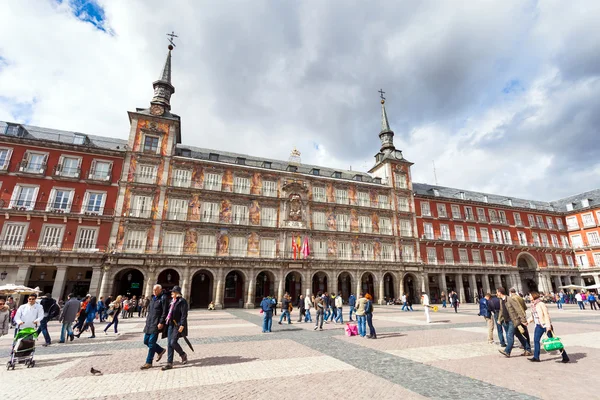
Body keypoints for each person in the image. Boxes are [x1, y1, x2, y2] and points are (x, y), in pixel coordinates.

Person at [527, 291, 569, 363]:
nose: (529, 296)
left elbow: (546, 315)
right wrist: (527, 321)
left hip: (545, 325)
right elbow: (534, 315)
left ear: (534, 296)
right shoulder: (533, 305)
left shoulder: (541, 304)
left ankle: (565, 356)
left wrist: (548, 326)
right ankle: (536, 357)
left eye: (530, 295)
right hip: (538, 325)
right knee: (536, 340)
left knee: (554, 341)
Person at [496, 287, 532, 357]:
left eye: (497, 292)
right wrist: (499, 319)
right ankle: (528, 350)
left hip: (513, 320)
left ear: (500, 293)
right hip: (507, 320)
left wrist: (523, 320)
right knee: (519, 335)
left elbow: (518, 309)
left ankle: (507, 351)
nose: (496, 294)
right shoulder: (501, 300)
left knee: (509, 335)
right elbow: (501, 310)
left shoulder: (510, 299)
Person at [141, 285, 168, 369]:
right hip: (149, 323)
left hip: (156, 323)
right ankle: (160, 350)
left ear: (160, 290)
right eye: (153, 290)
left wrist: (161, 322)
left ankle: (148, 362)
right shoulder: (153, 299)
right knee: (146, 341)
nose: (154, 291)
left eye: (156, 290)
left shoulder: (163, 298)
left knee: (151, 343)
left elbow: (164, 312)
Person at [161, 286, 188, 370]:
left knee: (173, 342)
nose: (171, 293)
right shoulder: (171, 301)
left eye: (173, 292)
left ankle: (182, 354)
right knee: (169, 343)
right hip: (170, 324)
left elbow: (184, 314)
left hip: (177, 324)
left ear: (177, 293)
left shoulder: (182, 301)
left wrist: (182, 325)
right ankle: (169, 363)